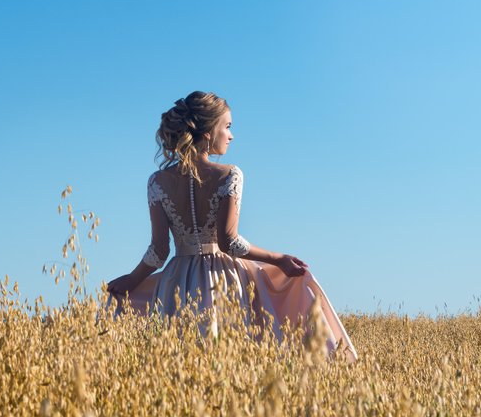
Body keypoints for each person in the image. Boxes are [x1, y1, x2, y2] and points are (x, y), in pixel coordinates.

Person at [105, 91, 358, 362]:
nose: (231, 135)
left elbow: (158, 251)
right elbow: (229, 242)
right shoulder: (229, 174)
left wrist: (132, 280)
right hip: (220, 282)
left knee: (175, 360)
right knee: (226, 358)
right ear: (206, 133)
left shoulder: (157, 182)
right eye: (227, 126)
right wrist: (278, 259)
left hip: (174, 284)